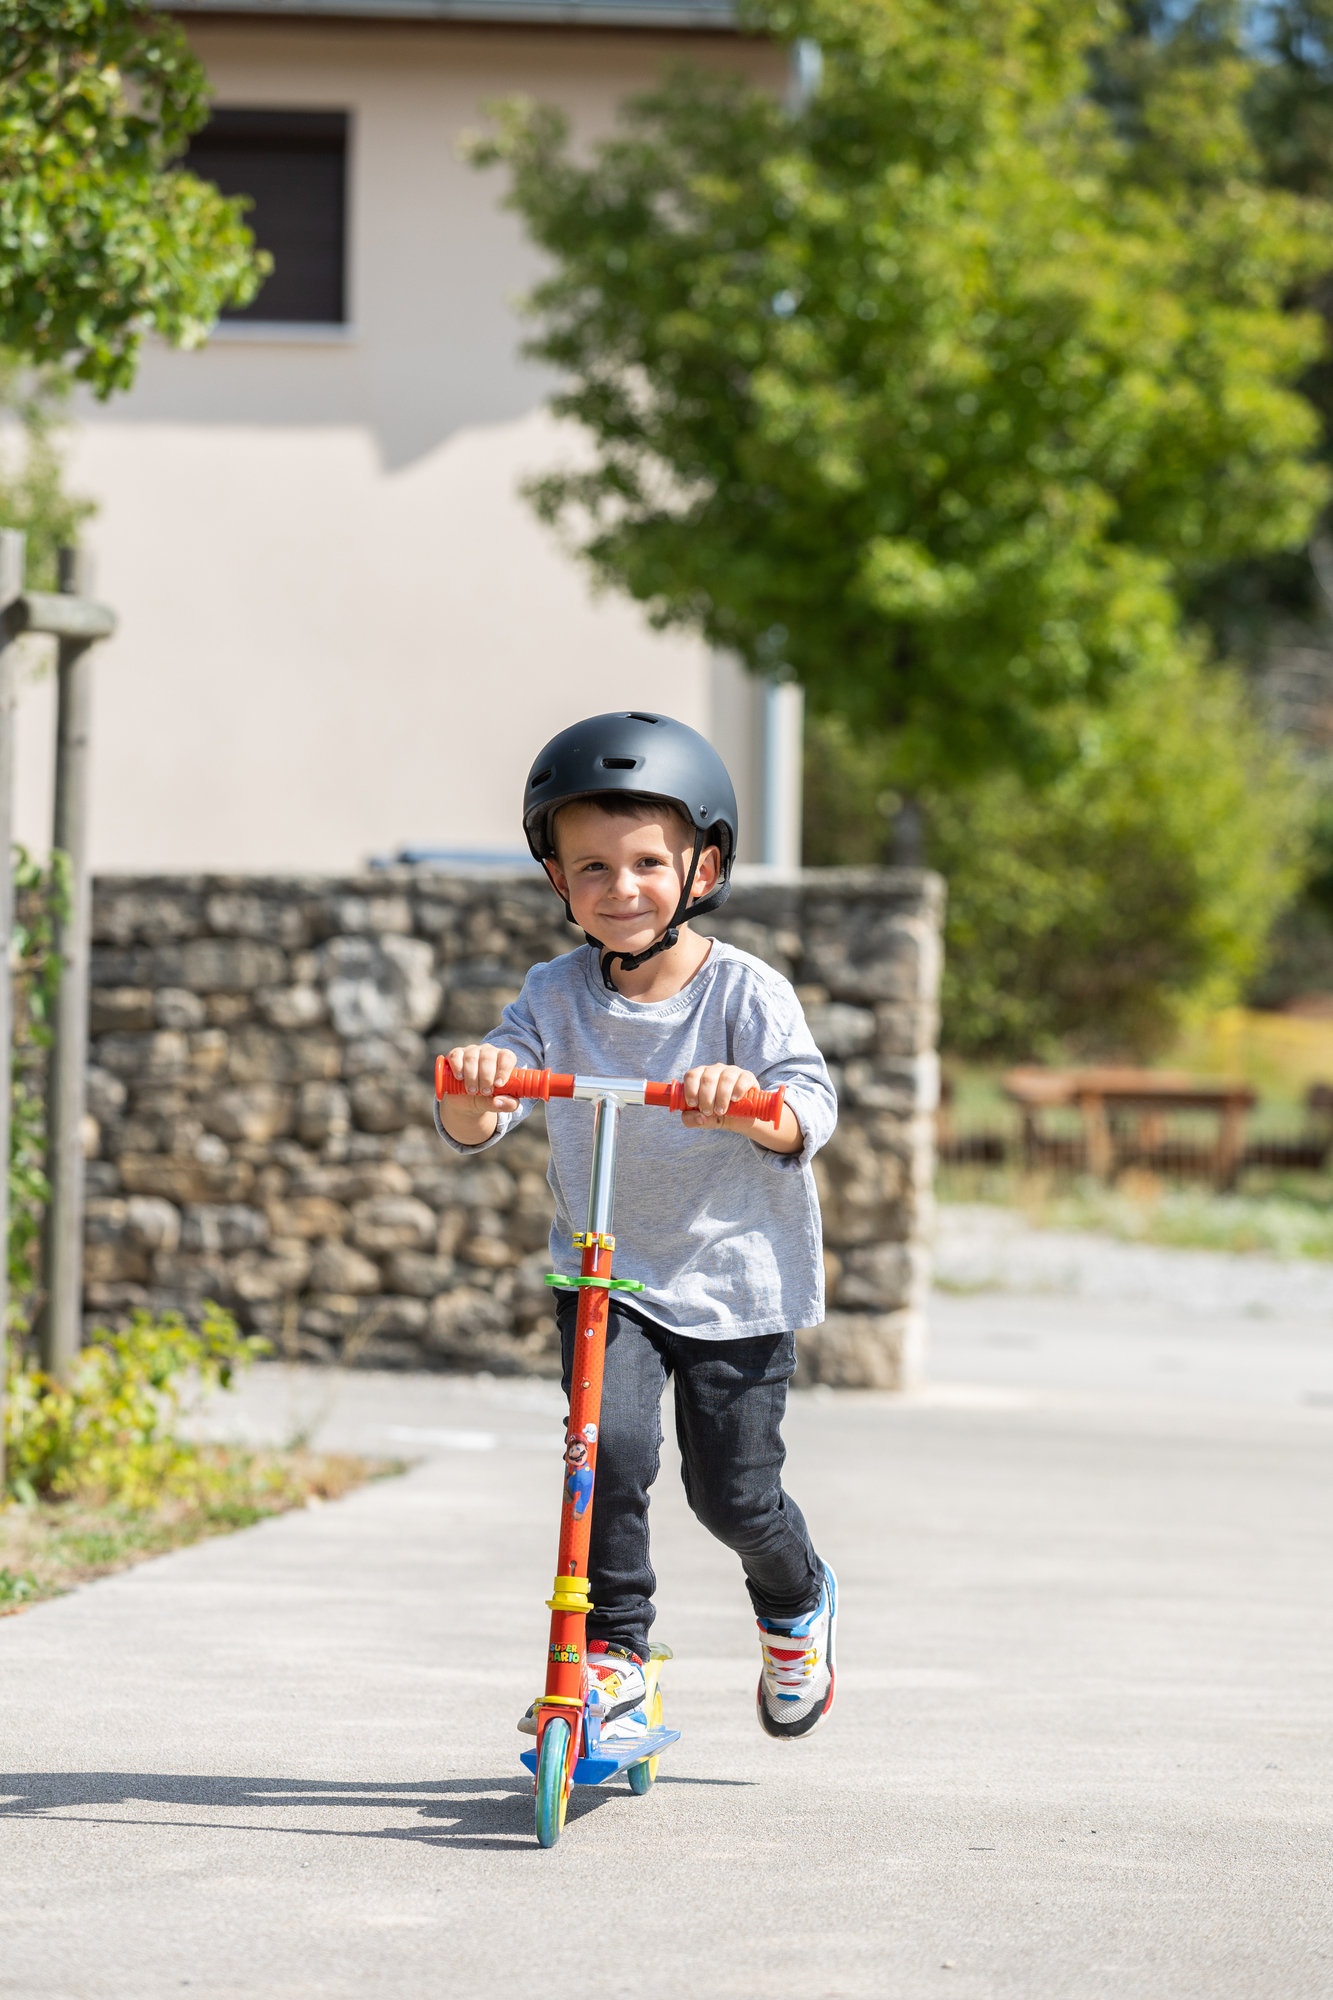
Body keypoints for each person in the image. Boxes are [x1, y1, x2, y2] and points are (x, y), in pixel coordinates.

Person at [435, 710, 839, 1742]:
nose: (622, 888)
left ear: (702, 865)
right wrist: (477, 1084)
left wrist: (746, 1100)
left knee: (733, 1497)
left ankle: (793, 1602)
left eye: (648, 863)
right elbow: (480, 1114)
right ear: (557, 880)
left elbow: (808, 1106)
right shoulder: (551, 993)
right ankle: (612, 1654)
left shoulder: (745, 992)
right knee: (602, 1448)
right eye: (593, 867)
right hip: (608, 1276)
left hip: (733, 1280)